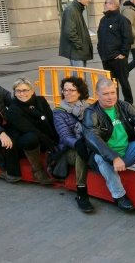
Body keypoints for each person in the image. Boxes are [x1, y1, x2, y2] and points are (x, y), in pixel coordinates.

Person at [82, 79, 135, 211]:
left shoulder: (124, 106)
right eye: (105, 94)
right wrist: (114, 157)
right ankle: (119, 196)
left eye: (112, 92)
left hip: (126, 152)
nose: (110, 97)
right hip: (107, 158)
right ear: (97, 94)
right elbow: (92, 137)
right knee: (100, 157)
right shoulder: (91, 113)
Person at [53, 77, 94, 213]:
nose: (68, 93)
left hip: (90, 143)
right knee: (80, 152)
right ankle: (81, 192)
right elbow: (64, 136)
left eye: (72, 90)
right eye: (65, 90)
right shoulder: (59, 112)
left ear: (80, 92)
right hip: (69, 150)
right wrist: (78, 143)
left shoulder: (88, 107)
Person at [6, 78, 56, 185]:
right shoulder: (13, 109)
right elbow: (29, 129)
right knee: (31, 137)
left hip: (43, 137)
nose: (22, 93)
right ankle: (37, 171)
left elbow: (51, 120)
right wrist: (50, 143)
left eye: (25, 90)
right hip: (23, 142)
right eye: (18, 91)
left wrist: (57, 139)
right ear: (14, 93)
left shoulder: (41, 101)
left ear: (32, 91)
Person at [97, 0, 134, 105]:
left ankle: (129, 103)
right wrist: (100, 51)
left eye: (106, 2)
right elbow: (100, 38)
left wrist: (123, 53)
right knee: (110, 84)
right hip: (106, 58)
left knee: (123, 82)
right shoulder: (103, 20)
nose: (104, 4)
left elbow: (128, 38)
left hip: (118, 58)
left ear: (113, 4)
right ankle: (115, 103)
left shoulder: (122, 20)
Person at [58, 0, 93, 67]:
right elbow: (70, 32)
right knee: (79, 77)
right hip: (77, 52)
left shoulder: (77, 9)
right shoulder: (71, 10)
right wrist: (80, 45)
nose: (89, 0)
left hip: (78, 51)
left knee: (80, 77)